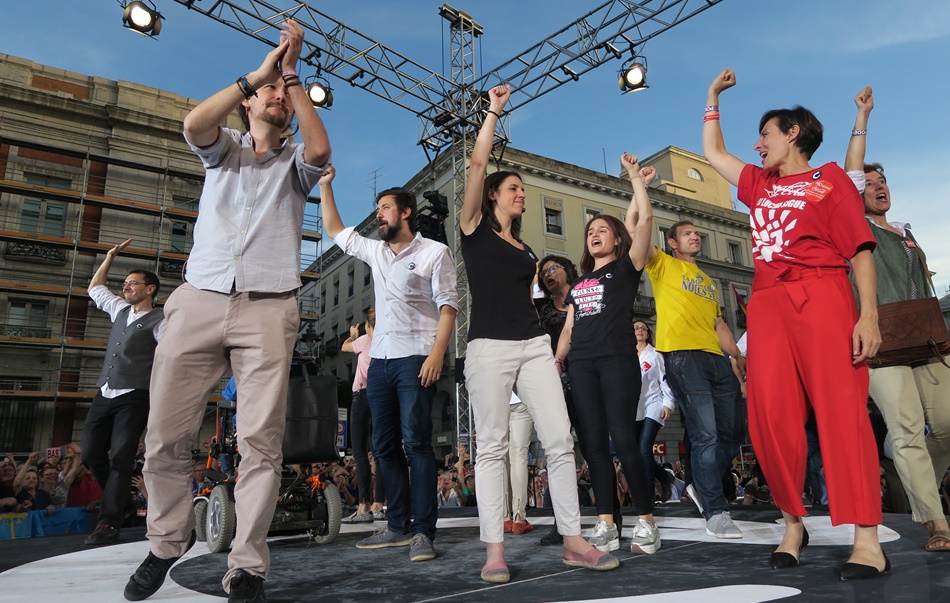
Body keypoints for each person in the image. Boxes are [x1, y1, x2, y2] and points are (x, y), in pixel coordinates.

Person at [124, 19, 331, 603]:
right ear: (247, 104)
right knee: (165, 436)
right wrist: (255, 75)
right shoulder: (224, 149)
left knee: (261, 442)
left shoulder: (295, 164)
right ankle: (167, 541)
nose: (277, 100)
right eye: (267, 95)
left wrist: (290, 76)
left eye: (283, 98)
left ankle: (247, 565)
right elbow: (193, 122)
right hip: (200, 300)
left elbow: (321, 148)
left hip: (268, 308)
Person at [702, 68, 887, 579]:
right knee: (771, 417)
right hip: (766, 305)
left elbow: (860, 251)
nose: (757, 144)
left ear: (792, 134)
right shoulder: (758, 185)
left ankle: (867, 540)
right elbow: (715, 154)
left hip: (822, 296)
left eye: (765, 134)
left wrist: (867, 315)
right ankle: (792, 524)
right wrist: (712, 98)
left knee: (841, 413)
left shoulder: (829, 180)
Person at [460, 84, 619, 584]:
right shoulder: (472, 228)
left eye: (524, 191)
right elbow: (478, 163)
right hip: (487, 348)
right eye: (514, 189)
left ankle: (573, 540)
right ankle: (494, 550)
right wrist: (493, 112)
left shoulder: (527, 251)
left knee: (559, 439)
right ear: (493, 197)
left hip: (533, 347)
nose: (521, 195)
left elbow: (526, 301)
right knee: (491, 446)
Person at [320, 165, 457, 564]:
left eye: (384, 208)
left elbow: (448, 308)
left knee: (417, 444)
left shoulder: (435, 252)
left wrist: (436, 355)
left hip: (417, 357)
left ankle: (423, 532)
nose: (378, 214)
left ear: (406, 212)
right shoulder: (376, 251)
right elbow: (334, 230)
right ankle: (396, 526)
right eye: (377, 209)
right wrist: (327, 185)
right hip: (379, 362)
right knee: (384, 446)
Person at [845, 86, 950, 553]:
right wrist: (863, 117)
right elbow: (851, 173)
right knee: (906, 432)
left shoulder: (906, 230)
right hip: (883, 344)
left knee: (946, 424)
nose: (877, 186)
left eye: (882, 181)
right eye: (869, 183)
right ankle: (935, 520)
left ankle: (916, 482)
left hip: (928, 339)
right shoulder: (856, 225)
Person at [554, 153, 661, 555]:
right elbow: (569, 329)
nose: (594, 234)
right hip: (581, 364)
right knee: (593, 446)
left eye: (602, 230)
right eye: (590, 231)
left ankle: (647, 521)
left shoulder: (627, 267)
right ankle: (606, 522)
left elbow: (643, 222)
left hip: (616, 361)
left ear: (617, 239)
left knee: (623, 441)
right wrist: (556, 361)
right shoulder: (580, 282)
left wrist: (636, 181)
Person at [636, 162, 746, 537]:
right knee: (707, 433)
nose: (695, 237)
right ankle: (715, 511)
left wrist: (737, 357)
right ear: (672, 243)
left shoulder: (707, 281)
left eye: (697, 234)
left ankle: (701, 484)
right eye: (687, 234)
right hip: (682, 357)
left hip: (717, 358)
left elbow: (719, 325)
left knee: (733, 430)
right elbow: (640, 230)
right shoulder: (662, 266)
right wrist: (642, 188)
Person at [83, 238, 164, 546]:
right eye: (125, 283)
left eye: (133, 283)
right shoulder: (118, 308)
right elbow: (94, 288)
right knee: (91, 453)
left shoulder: (162, 320)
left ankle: (109, 522)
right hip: (105, 392)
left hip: (135, 394)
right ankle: (125, 502)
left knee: (121, 457)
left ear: (150, 289)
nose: (126, 287)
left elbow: (172, 356)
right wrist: (109, 257)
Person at [341, 309, 386, 523]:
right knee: (379, 453)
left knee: (360, 453)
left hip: (361, 396)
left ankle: (363, 506)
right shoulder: (387, 342)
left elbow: (344, 347)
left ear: (367, 326)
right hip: (382, 397)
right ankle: (379, 504)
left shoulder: (365, 339)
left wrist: (352, 335)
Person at [634, 321, 676, 502]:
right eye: (636, 328)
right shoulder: (626, 355)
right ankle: (665, 476)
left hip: (654, 403)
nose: (640, 331)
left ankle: (648, 494)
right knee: (637, 450)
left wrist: (668, 403)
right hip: (635, 408)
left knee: (645, 446)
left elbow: (665, 379)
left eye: (643, 328)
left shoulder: (655, 354)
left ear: (648, 333)